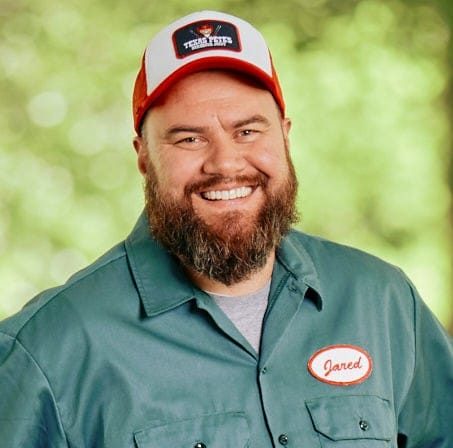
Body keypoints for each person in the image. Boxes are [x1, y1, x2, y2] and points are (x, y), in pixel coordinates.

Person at [0, 10, 452, 447]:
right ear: (143, 156)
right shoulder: (46, 350)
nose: (226, 163)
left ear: (285, 135)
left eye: (248, 131)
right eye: (189, 138)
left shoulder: (384, 303)